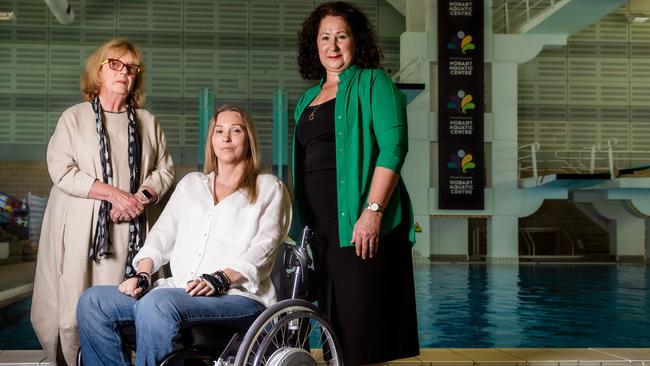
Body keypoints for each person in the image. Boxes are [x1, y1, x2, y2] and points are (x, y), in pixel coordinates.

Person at [76, 105, 292, 365]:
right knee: (93, 301)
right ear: (211, 140)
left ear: (249, 139)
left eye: (236, 130)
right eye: (219, 131)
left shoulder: (269, 188)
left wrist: (222, 277)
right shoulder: (191, 185)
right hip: (179, 292)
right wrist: (143, 274)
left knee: (157, 304)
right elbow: (161, 237)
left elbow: (264, 249)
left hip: (238, 298)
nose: (226, 138)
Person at [31, 38, 175, 365]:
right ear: (98, 71)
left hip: (131, 232)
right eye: (115, 64)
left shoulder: (148, 122)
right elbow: (61, 168)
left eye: (131, 68)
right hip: (80, 233)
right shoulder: (74, 118)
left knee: (125, 306)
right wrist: (114, 194)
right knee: (71, 313)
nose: (123, 72)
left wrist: (140, 197)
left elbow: (164, 169)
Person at [293, 2, 419, 364]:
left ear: (355, 40)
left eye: (341, 36)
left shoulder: (373, 82)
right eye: (325, 38)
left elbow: (394, 147)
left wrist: (373, 212)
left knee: (362, 338)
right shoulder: (306, 99)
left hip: (361, 226)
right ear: (313, 45)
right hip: (323, 235)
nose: (332, 46)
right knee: (334, 336)